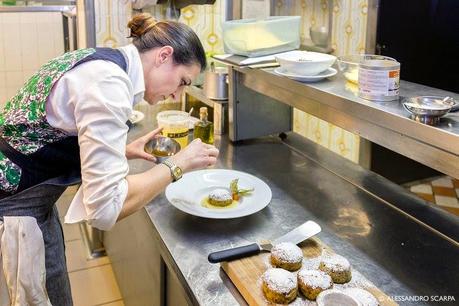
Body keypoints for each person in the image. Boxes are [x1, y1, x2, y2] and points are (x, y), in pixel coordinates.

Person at [0, 13, 218, 305]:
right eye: (182, 82)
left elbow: (53, 129)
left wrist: (122, 150)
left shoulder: (102, 61)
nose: (176, 94)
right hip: (15, 209)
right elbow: (104, 207)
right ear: (164, 56)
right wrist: (177, 165)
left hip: (29, 200)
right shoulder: (109, 83)